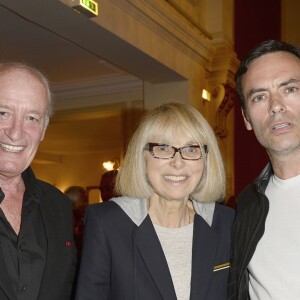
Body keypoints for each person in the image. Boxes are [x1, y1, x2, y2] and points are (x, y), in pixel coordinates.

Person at [75, 102, 235, 300]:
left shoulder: (227, 223)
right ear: (142, 158)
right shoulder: (108, 223)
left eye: (192, 149)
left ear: (206, 160)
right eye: (164, 148)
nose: (178, 162)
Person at [228, 40, 300, 299]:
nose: (276, 106)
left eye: (290, 89)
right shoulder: (248, 204)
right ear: (247, 119)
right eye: (259, 97)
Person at [0, 62, 76, 299]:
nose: (15, 132)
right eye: (3, 112)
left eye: (32, 118)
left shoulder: (59, 205)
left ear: (43, 130)